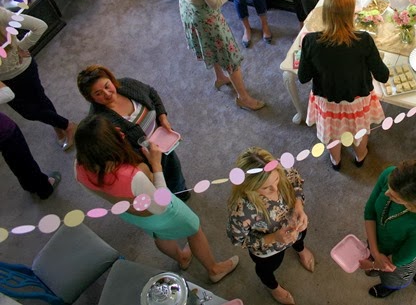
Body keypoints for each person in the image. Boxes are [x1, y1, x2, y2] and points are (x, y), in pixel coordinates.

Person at [74, 115, 239, 283]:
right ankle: (214, 269)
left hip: (129, 212)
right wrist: (156, 164)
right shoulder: (134, 175)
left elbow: (99, 191)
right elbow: (161, 204)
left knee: (160, 234)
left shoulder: (79, 168)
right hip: (158, 212)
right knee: (194, 228)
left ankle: (182, 258)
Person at [297, 0, 389, 170]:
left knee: (332, 134)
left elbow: (303, 77)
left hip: (327, 99)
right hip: (357, 99)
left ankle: (336, 160)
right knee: (360, 132)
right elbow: (383, 75)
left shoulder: (310, 41)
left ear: (326, 12)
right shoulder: (364, 40)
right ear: (351, 13)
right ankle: (360, 156)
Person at [77, 65, 190, 201]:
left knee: (175, 172)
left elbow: (151, 93)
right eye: (98, 93)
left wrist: (162, 117)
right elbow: (106, 153)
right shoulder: (100, 123)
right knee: (159, 192)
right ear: (91, 98)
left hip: (163, 143)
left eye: (107, 86)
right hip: (143, 161)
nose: (107, 94)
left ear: (111, 79)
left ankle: (182, 193)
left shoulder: (127, 84)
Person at [227, 147, 313, 305]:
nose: (275, 189)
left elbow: (295, 181)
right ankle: (273, 287)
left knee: (300, 237)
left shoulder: (280, 168)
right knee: (267, 269)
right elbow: (239, 239)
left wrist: (298, 206)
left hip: (294, 223)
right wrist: (274, 237)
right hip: (269, 249)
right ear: (248, 187)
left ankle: (300, 249)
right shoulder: (241, 210)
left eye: (277, 180)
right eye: (266, 188)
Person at [360, 160, 416, 298]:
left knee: (394, 278)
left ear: (413, 203)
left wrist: (373, 264)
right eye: (389, 187)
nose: (386, 193)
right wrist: (375, 253)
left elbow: (398, 260)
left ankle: (390, 287)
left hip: (399, 258)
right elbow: (370, 212)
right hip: (378, 241)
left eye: (394, 197)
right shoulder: (390, 174)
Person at [0, 7, 76, 150]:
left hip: (23, 71)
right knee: (27, 112)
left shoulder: (2, 15)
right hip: (3, 81)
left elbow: (39, 26)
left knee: (39, 101)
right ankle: (62, 125)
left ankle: (65, 126)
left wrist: (21, 47)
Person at [0, 83, 61, 199]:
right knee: (22, 159)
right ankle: (44, 188)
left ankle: (29, 185)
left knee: (13, 160)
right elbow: (8, 94)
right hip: (4, 132)